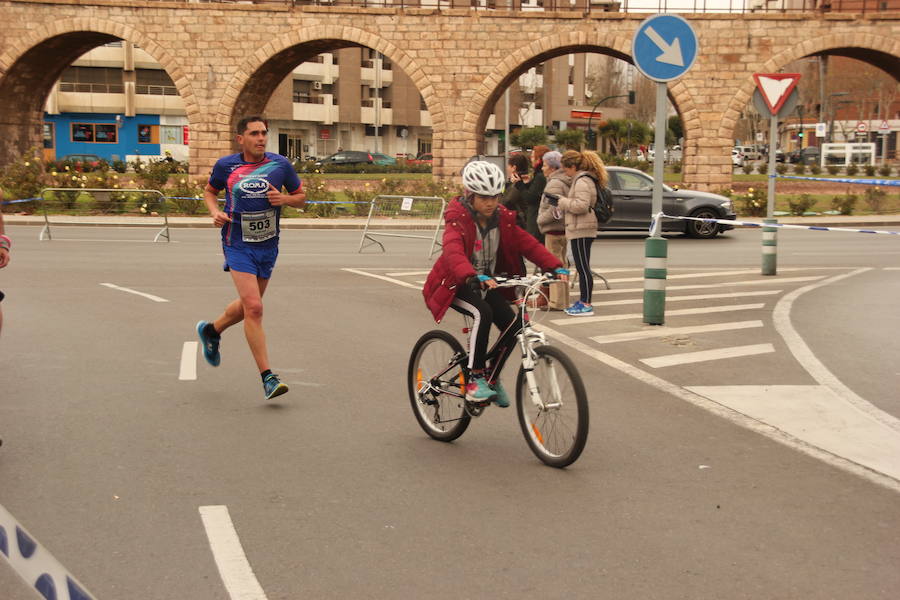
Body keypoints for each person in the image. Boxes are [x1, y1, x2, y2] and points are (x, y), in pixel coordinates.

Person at [422, 161, 567, 407]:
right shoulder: (458, 219)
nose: (490, 202)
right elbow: (453, 250)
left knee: (515, 324)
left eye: (495, 196)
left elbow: (527, 244)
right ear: (470, 195)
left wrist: (554, 265)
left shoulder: (503, 219)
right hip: (457, 283)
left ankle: (491, 377)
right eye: (483, 197)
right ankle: (474, 379)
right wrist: (469, 274)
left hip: (487, 282)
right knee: (483, 313)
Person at [196, 115, 306, 400]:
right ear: (240, 138)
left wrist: (286, 200)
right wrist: (214, 212)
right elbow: (210, 192)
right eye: (254, 133)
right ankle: (268, 377)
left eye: (264, 133)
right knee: (255, 307)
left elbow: (301, 197)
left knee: (249, 305)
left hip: (268, 245)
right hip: (237, 243)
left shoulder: (280, 165)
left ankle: (212, 330)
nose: (261, 138)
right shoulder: (227, 166)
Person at [544, 150, 608, 316]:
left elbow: (581, 205)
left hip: (582, 228)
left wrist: (561, 201)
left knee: (583, 267)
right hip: (582, 227)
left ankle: (586, 303)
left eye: (566, 169)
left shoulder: (581, 181)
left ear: (573, 167)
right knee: (582, 266)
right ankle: (584, 301)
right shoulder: (585, 179)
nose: (566, 173)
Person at [535, 150, 571, 310]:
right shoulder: (563, 180)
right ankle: (562, 300)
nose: (542, 168)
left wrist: (540, 219)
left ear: (551, 166)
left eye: (544, 164)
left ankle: (558, 301)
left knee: (556, 266)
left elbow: (555, 208)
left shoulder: (555, 183)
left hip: (554, 230)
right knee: (561, 265)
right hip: (562, 229)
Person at [520, 145, 550, 242]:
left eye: (533, 157)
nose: (531, 159)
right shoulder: (539, 175)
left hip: (536, 218)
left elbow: (530, 197)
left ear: (539, 159)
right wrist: (528, 184)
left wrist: (519, 185)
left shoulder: (540, 177)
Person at [502, 153, 530, 227]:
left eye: (508, 166)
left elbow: (505, 202)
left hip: (518, 223)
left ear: (514, 168)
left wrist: (511, 184)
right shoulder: (529, 180)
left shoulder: (517, 184)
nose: (507, 168)